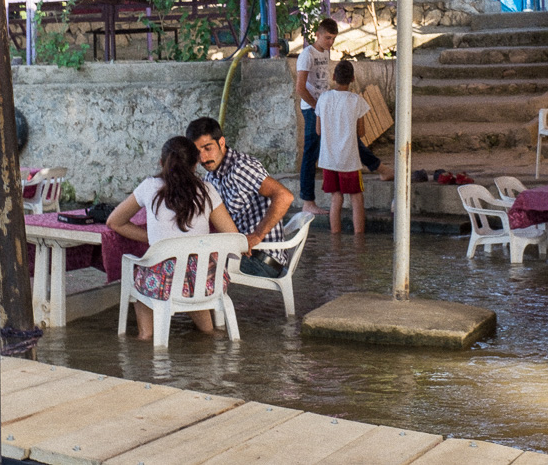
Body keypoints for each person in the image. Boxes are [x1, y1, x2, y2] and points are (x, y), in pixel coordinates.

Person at [106, 136, 240, 341]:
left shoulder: (149, 187)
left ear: (162, 163)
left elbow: (114, 222)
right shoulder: (207, 191)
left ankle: (146, 336)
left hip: (161, 283)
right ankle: (209, 333)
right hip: (204, 282)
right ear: (196, 164)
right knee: (194, 268)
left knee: (138, 270)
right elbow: (232, 235)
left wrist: (154, 239)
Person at [295, 17, 391, 216]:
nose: (330, 42)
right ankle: (307, 201)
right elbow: (300, 88)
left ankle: (380, 168)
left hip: (325, 106)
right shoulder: (307, 55)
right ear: (317, 35)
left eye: (333, 39)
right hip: (314, 109)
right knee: (310, 152)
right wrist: (318, 107)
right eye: (327, 38)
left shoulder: (325, 52)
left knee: (350, 139)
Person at [186, 117, 294, 279]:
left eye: (208, 148)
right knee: (188, 258)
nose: (202, 158)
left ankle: (209, 304)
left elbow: (285, 196)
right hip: (240, 253)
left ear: (221, 142)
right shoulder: (211, 177)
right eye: (197, 152)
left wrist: (257, 235)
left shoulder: (240, 168)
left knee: (190, 266)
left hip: (261, 260)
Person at [316, 60, 368, 233]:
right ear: (352, 78)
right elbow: (361, 132)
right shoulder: (356, 101)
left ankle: (335, 240)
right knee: (356, 198)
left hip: (328, 159)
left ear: (333, 77)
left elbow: (318, 130)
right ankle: (359, 240)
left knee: (335, 199)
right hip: (349, 159)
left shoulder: (323, 99)